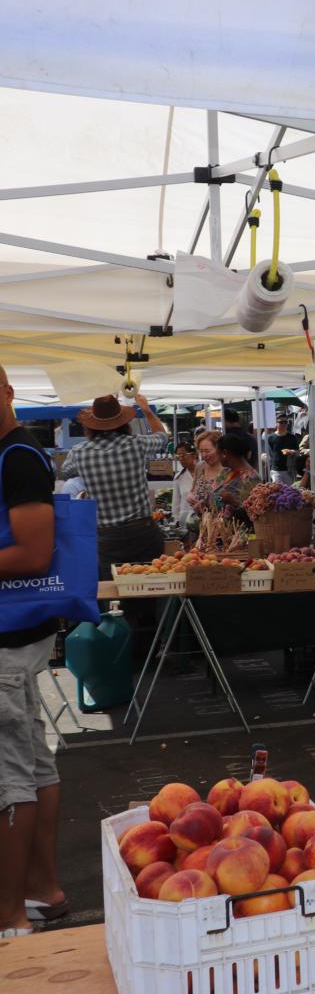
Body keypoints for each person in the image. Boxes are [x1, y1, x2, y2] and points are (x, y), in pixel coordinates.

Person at [0, 364, 68, 938]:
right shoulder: (12, 453)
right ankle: (42, 891)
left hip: (8, 638)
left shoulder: (17, 456)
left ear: (7, 393)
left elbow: (34, 553)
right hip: (19, 636)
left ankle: (10, 915)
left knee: (9, 779)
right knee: (34, 764)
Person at [58, 393, 168, 578]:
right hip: (143, 531)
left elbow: (66, 471)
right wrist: (147, 411)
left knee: (112, 591)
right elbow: (162, 436)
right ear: (124, 422)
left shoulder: (78, 453)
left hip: (107, 536)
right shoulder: (137, 444)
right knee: (148, 589)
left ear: (91, 425)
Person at [206, 431, 259, 523]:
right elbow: (213, 495)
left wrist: (233, 502)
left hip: (237, 533)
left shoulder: (251, 478)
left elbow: (256, 512)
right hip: (216, 530)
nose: (218, 458)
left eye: (218, 453)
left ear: (225, 453)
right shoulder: (225, 472)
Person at [265, 418, 299, 485]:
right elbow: (268, 452)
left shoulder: (292, 437)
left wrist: (292, 451)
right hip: (275, 469)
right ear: (276, 423)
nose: (283, 424)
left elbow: (298, 451)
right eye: (281, 422)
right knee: (277, 490)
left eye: (285, 422)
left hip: (289, 469)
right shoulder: (271, 437)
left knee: (289, 491)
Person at [170, 440, 197, 526]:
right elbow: (176, 503)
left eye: (184, 455)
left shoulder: (204, 472)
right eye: (179, 456)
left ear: (194, 455)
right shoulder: (179, 477)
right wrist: (175, 521)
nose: (181, 459)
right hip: (185, 521)